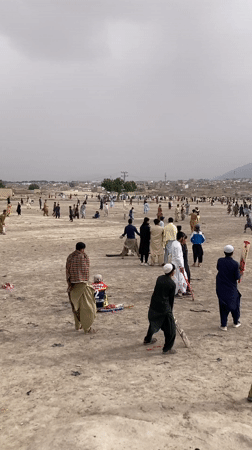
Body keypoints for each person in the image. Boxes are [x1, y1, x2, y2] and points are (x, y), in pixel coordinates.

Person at [143, 263, 176, 354]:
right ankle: (167, 348)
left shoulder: (159, 278)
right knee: (170, 329)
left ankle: (148, 339)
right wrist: (170, 311)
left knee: (154, 322)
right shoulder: (172, 284)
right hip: (164, 308)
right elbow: (171, 299)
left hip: (154, 305)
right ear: (172, 272)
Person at [66, 242, 96, 333]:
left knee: (76, 306)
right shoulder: (82, 257)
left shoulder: (70, 256)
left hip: (72, 285)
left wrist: (70, 282)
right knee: (87, 307)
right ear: (83, 249)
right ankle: (87, 328)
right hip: (82, 284)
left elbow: (67, 270)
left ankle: (77, 326)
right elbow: (85, 270)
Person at [216, 245, 241, 331]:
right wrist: (241, 273)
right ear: (232, 253)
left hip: (221, 286)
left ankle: (223, 324)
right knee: (235, 303)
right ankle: (236, 322)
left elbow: (218, 269)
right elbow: (237, 277)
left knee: (223, 304)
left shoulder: (220, 261)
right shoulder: (235, 264)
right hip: (231, 287)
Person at [171, 231, 188, 295]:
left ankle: (179, 290)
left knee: (178, 278)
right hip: (178, 264)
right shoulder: (178, 245)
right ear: (181, 238)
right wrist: (181, 266)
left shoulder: (174, 243)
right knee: (180, 278)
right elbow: (178, 257)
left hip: (175, 263)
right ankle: (181, 291)